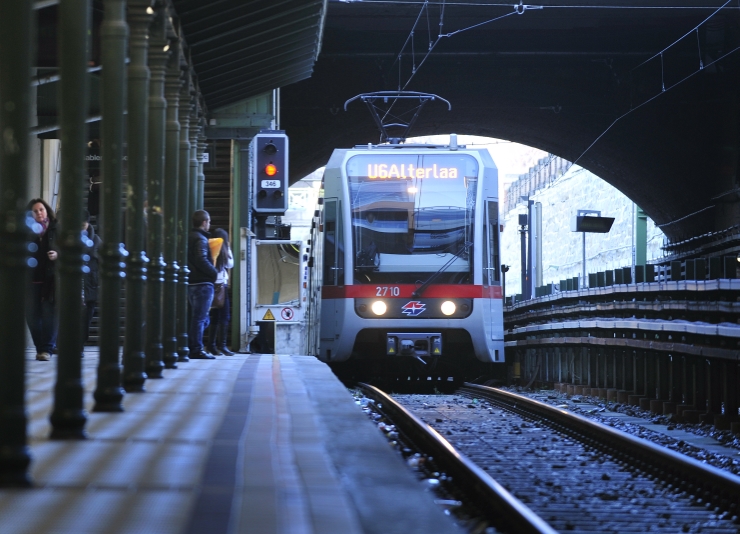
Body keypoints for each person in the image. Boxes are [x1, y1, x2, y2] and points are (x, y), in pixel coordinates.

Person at [26, 198, 59, 361]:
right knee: (32, 317)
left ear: (47, 210)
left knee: (49, 315)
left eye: (42, 209)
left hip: (50, 279)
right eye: (35, 211)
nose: (39, 213)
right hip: (30, 279)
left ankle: (47, 349)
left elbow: (69, 248)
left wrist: (58, 255)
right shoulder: (25, 230)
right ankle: (40, 348)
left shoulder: (56, 228)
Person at [187, 210, 218, 359]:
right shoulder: (200, 239)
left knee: (197, 318)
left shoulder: (190, 237)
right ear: (204, 222)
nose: (209, 224)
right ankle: (196, 349)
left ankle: (192, 345)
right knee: (201, 318)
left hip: (191, 282)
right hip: (202, 283)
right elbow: (201, 259)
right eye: (209, 221)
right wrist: (214, 273)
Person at [207, 228, 235, 356]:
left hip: (211, 285)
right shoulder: (223, 251)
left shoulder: (209, 247)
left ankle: (211, 345)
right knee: (225, 316)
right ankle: (222, 346)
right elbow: (230, 264)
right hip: (221, 287)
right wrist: (227, 247)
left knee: (215, 316)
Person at [81, 210, 101, 347]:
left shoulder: (96, 240)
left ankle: (80, 345)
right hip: (74, 284)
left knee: (86, 319)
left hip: (90, 285)